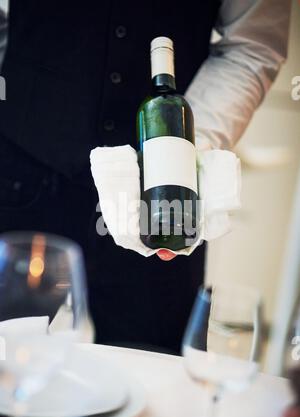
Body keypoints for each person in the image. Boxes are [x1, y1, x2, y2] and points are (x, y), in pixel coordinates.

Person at [0, 1, 291, 353]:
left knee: (154, 380)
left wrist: (179, 157)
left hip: (161, 205)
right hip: (21, 182)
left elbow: (252, 45)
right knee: (8, 366)